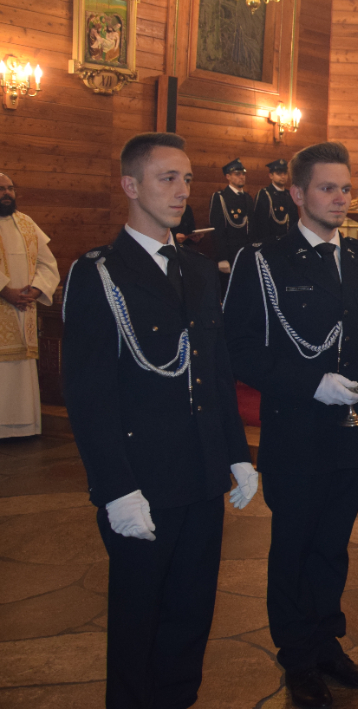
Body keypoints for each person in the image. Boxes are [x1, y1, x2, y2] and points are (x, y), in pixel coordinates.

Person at [61, 133, 256, 709]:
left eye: (187, 179)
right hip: (141, 478)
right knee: (137, 619)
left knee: (191, 614)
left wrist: (237, 453)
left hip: (201, 472)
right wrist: (115, 489)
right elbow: (88, 395)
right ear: (130, 184)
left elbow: (215, 370)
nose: (181, 191)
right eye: (167, 178)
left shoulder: (197, 268)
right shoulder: (99, 272)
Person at [223, 141, 358, 709]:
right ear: (298, 194)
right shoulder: (265, 261)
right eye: (328, 188)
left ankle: (327, 645)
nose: (341, 198)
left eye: (346, 188)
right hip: (297, 432)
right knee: (294, 548)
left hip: (353, 432)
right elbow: (238, 349)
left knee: (332, 546)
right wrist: (310, 383)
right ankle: (297, 657)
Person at [0, 173, 59, 438]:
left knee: (21, 368)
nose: (7, 193)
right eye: (1, 189)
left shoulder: (27, 223)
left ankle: (24, 427)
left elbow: (48, 264)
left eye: (10, 188)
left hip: (25, 308)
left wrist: (36, 290)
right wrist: (5, 290)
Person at [209, 158, 253, 276]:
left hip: (247, 252)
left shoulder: (248, 198)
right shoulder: (220, 198)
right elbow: (217, 229)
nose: (241, 177)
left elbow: (252, 227)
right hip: (230, 253)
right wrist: (222, 257)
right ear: (228, 176)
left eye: (243, 174)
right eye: (237, 174)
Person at [251, 158, 298, 243]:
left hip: (288, 242)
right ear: (271, 176)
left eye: (285, 173)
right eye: (279, 173)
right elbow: (259, 223)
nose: (283, 176)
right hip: (270, 242)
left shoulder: (290, 194)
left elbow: (294, 220)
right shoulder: (264, 194)